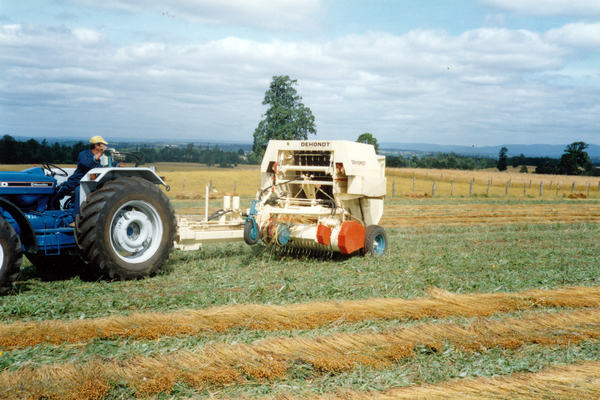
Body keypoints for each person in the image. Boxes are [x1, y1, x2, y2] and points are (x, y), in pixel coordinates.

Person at [52, 136, 125, 208]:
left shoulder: (102, 157)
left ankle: (76, 216)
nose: (105, 147)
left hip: (90, 184)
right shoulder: (84, 154)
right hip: (76, 182)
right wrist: (97, 155)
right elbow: (86, 164)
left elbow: (108, 165)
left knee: (79, 191)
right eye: (103, 145)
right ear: (97, 146)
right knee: (56, 192)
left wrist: (118, 164)